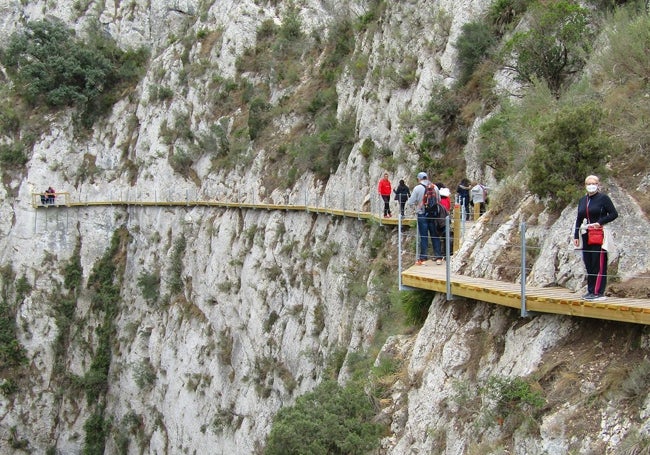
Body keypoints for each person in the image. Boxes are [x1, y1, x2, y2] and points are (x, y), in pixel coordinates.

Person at [573, 175, 618, 301]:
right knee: (588, 263)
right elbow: (578, 219)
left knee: (598, 262)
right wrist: (576, 235)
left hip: (599, 233)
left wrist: (600, 222)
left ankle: (598, 292)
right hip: (586, 233)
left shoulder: (603, 198)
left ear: (598, 184)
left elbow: (614, 214)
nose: (591, 185)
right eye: (588, 183)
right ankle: (591, 290)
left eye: (594, 183)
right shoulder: (582, 200)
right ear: (585, 185)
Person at [407, 172, 443, 265]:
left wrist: (417, 205)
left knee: (424, 236)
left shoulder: (417, 188)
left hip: (422, 214)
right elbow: (439, 200)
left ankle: (423, 258)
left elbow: (410, 202)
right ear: (427, 177)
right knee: (434, 235)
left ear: (419, 179)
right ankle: (438, 257)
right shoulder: (434, 187)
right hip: (433, 215)